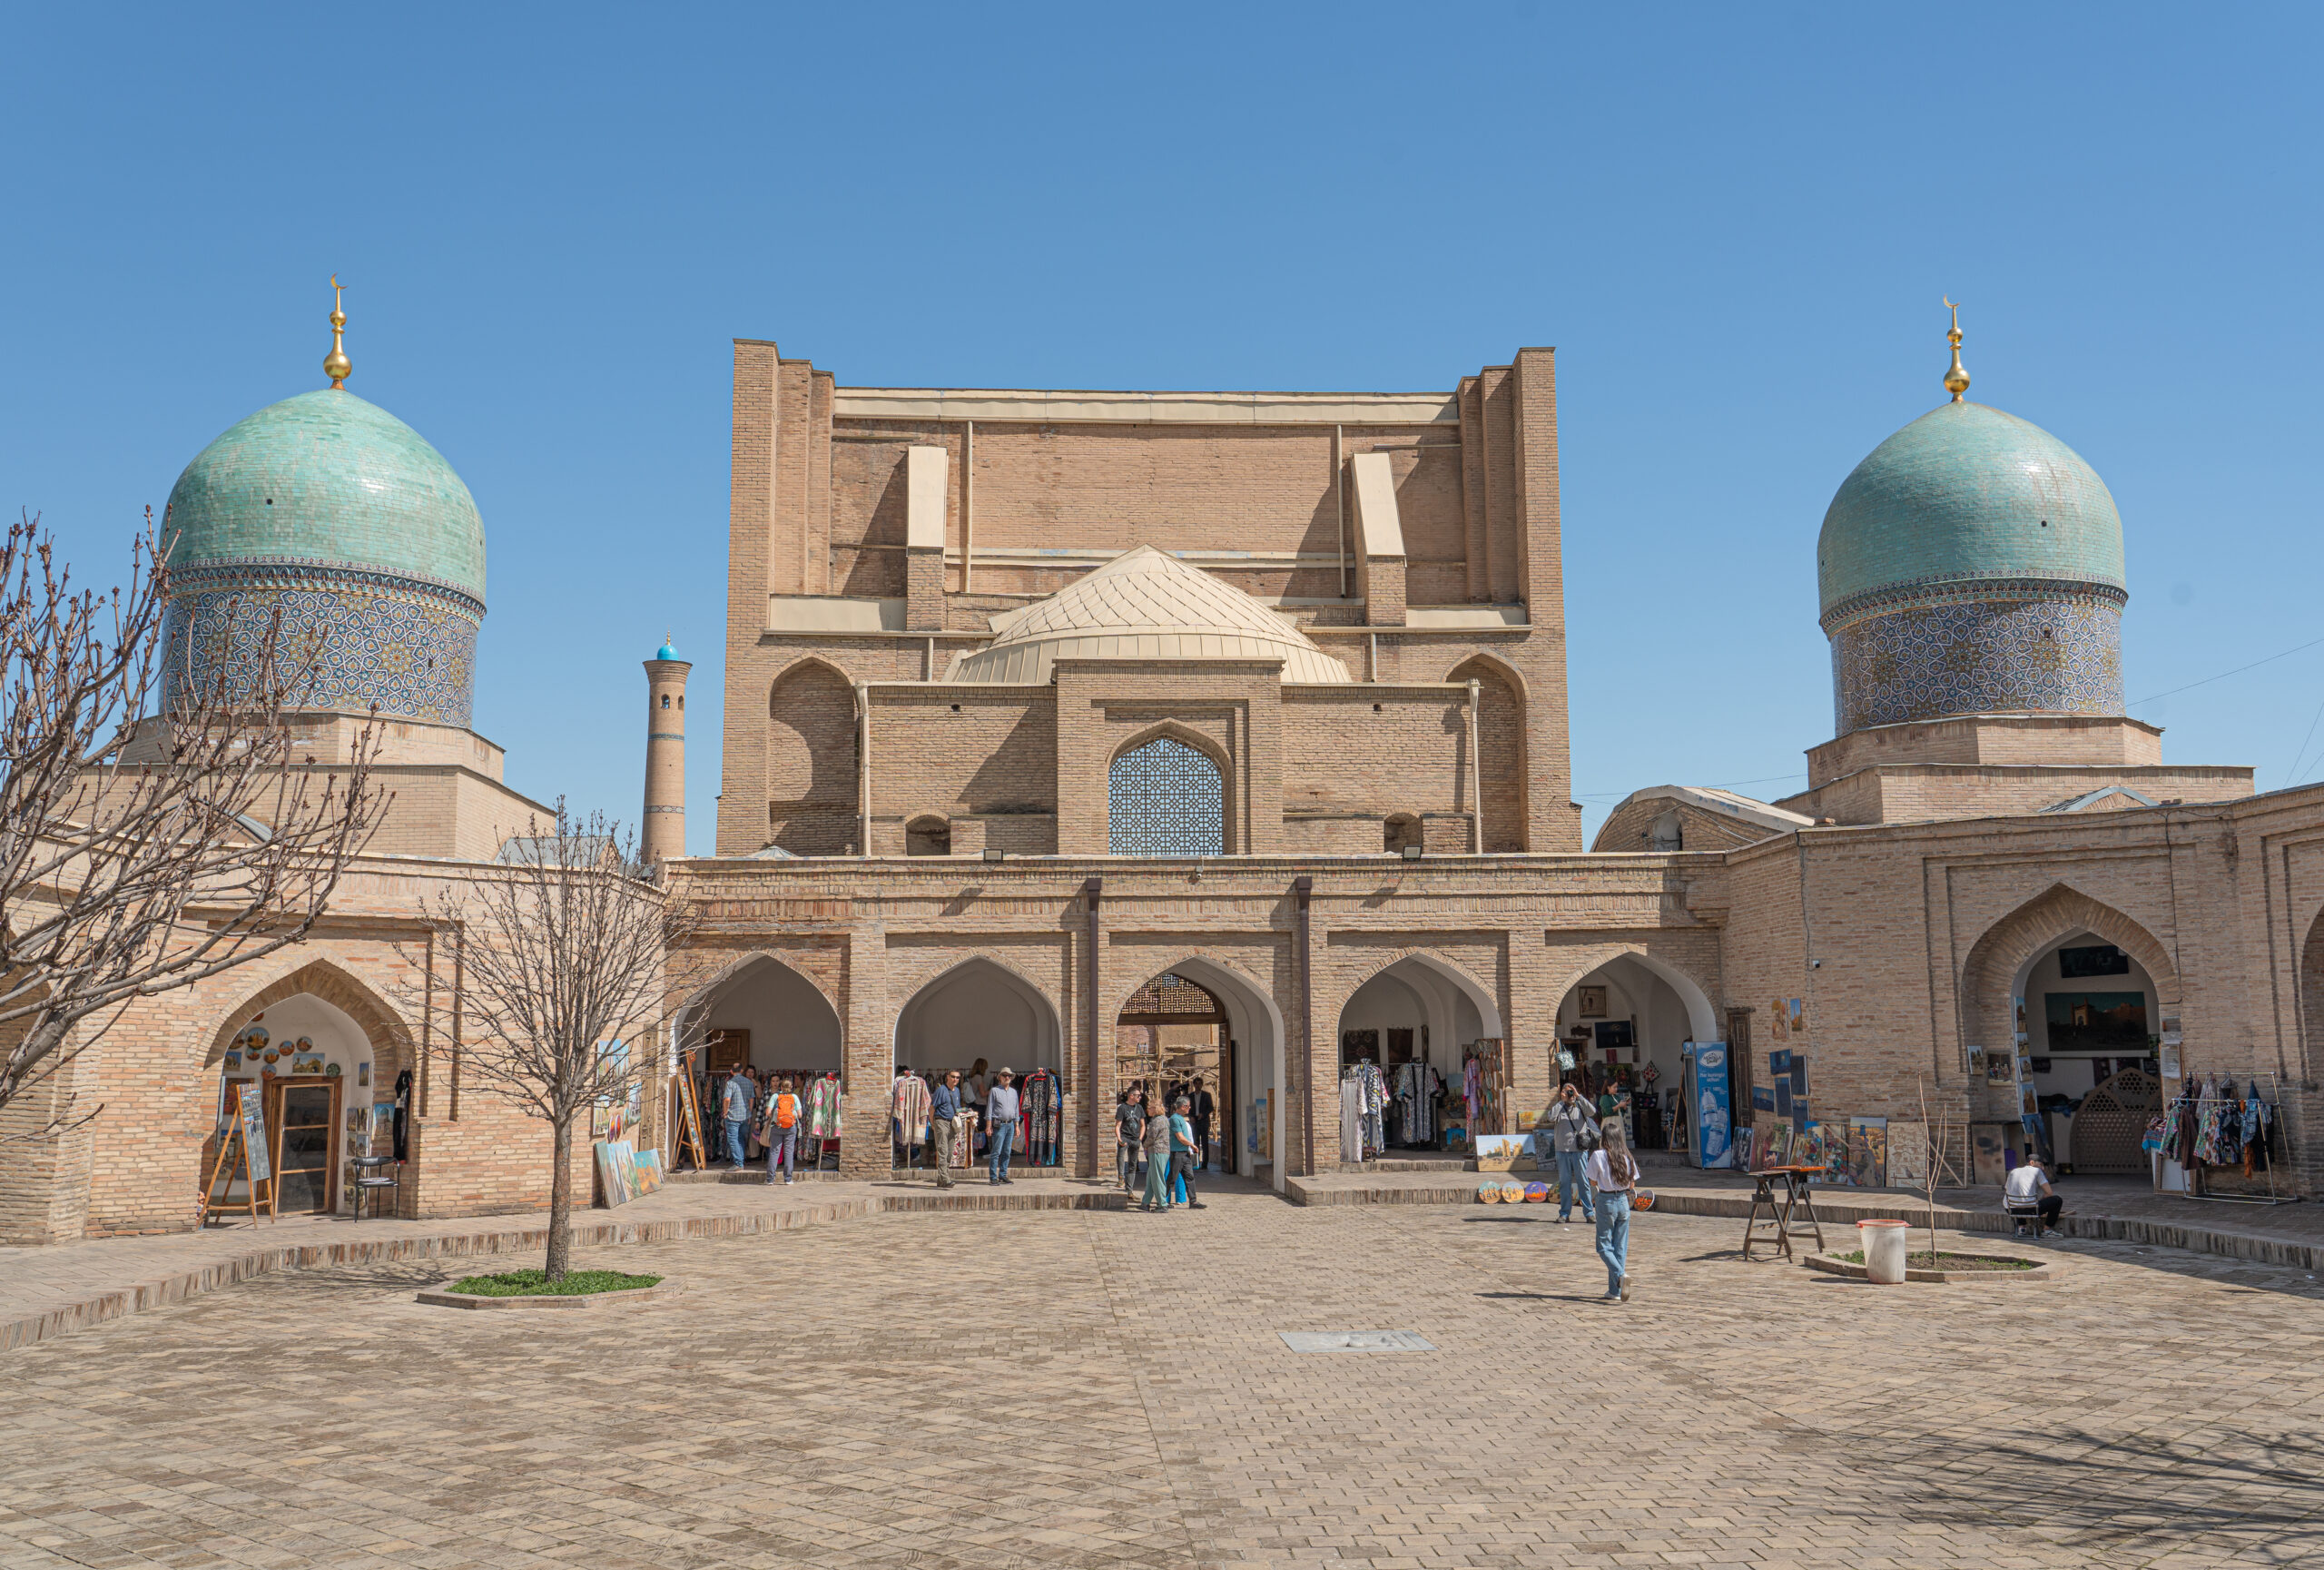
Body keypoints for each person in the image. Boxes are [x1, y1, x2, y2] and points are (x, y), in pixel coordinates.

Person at [1586, 1114, 1640, 1302]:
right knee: (1620, 1247)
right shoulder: (1627, 1157)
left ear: (1604, 1139)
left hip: (1606, 1201)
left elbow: (1592, 1181)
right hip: (1624, 1202)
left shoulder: (1598, 1155)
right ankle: (1614, 1291)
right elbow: (1632, 1185)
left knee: (1603, 1246)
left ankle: (1620, 1275)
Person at [1543, 1082, 1599, 1224]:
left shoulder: (1580, 1106)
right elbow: (1550, 1117)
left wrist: (1578, 1096)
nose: (1569, 1095)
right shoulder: (1559, 1107)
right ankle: (1564, 1213)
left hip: (1579, 1151)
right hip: (1562, 1150)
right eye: (1566, 1092)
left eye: (1571, 1092)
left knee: (1583, 1182)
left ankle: (1589, 1213)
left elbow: (1592, 1111)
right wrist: (1561, 1101)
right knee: (1564, 1183)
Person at [2005, 1154, 2063, 1238]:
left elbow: (2007, 1189)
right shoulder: (2036, 1171)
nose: (2042, 1168)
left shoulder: (2013, 1171)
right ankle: (2047, 1230)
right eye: (2041, 1165)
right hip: (2030, 1209)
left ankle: (2022, 1228)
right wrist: (2040, 1201)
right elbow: (2049, 1193)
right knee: (2057, 1200)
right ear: (2032, 1162)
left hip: (2010, 1209)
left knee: (2017, 1199)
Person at [986, 1067, 1021, 1185]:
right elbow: (989, 1109)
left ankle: (1003, 1174)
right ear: (1000, 1077)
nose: (1007, 1078)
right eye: (1005, 1075)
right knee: (996, 1151)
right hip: (999, 1125)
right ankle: (993, 1176)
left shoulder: (1014, 1092)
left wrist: (1017, 1126)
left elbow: (1016, 1109)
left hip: (1011, 1124)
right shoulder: (994, 1091)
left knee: (1007, 1151)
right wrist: (988, 1126)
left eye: (1009, 1076)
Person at [930, 1069, 964, 1189]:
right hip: (941, 1121)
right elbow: (932, 1108)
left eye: (958, 1078)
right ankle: (945, 1178)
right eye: (953, 1077)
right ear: (947, 1077)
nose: (955, 1079)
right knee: (943, 1151)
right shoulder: (941, 1090)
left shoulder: (957, 1091)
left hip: (952, 1124)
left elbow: (957, 1108)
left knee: (949, 1152)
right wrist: (933, 1123)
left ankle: (941, 1181)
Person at [1139, 1093, 1175, 1210]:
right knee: (1151, 1177)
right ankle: (1146, 1202)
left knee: (1157, 1178)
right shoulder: (1161, 1119)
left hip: (1158, 1151)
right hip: (1158, 1151)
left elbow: (1152, 1137)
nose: (1147, 1110)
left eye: (1149, 1107)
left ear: (1155, 1108)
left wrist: (1144, 1145)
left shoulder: (1158, 1120)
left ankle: (1162, 1204)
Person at [765, 1074, 802, 1185]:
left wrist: (775, 1115)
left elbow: (768, 1112)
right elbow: (800, 1115)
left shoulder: (775, 1097)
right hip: (791, 1127)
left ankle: (770, 1179)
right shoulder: (794, 1097)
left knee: (774, 1152)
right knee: (789, 1152)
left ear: (781, 1087)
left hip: (777, 1126)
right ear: (791, 1088)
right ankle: (788, 1179)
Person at [1170, 1095, 1206, 1209]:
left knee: (1189, 1177)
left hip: (1185, 1153)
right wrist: (1191, 1144)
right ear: (1183, 1106)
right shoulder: (1175, 1119)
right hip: (1177, 1153)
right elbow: (1180, 1137)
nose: (1190, 1108)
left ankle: (1193, 1201)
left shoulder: (1181, 1118)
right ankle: (1163, 1201)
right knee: (1172, 1178)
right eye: (1189, 1106)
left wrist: (1189, 1148)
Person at [719, 1069, 754, 1171]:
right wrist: (749, 1114)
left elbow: (727, 1099)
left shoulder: (731, 1083)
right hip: (745, 1115)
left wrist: (725, 1112)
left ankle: (738, 1163)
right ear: (742, 1071)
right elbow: (751, 1099)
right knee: (741, 1139)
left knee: (733, 1139)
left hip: (732, 1116)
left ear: (731, 1071)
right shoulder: (749, 1082)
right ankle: (741, 1161)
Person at [1116, 1088, 1147, 1193]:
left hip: (1135, 1138)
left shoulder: (1140, 1108)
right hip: (1125, 1136)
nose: (1140, 1097)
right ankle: (1121, 1176)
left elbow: (1143, 1125)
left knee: (1132, 1165)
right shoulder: (1122, 1108)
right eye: (1138, 1095)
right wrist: (1119, 1139)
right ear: (1131, 1096)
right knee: (1120, 1155)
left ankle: (1129, 1190)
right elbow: (1118, 1125)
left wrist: (1140, 1139)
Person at [1188, 1076, 1216, 1170]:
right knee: (1195, 1143)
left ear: (1202, 1085)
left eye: (1200, 1083)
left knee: (1205, 1143)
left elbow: (1211, 1108)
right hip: (1194, 1122)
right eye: (1196, 1083)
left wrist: (1203, 1114)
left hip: (1204, 1121)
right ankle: (1196, 1163)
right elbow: (1187, 1108)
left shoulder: (1206, 1095)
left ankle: (1204, 1164)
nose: (1198, 1085)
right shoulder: (1190, 1096)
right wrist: (1191, 1116)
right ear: (1194, 1084)